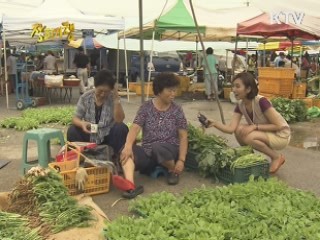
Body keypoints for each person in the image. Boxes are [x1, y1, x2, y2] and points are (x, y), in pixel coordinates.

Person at [204, 72, 290, 174]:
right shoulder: (241, 105)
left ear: (248, 89)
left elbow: (278, 126)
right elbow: (231, 129)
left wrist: (254, 127)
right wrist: (214, 123)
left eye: (237, 86)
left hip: (280, 135)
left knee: (249, 137)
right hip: (266, 133)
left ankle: (276, 157)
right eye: (233, 86)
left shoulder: (261, 102)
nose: (234, 90)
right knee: (239, 129)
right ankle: (248, 156)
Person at [120, 72, 188, 199]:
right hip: (149, 151)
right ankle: (130, 187)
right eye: (170, 91)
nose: (173, 94)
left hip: (169, 150)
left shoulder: (177, 110)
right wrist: (128, 146)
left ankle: (173, 170)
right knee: (126, 152)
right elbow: (135, 128)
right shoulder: (146, 107)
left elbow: (183, 136)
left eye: (175, 91)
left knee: (157, 147)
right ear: (160, 90)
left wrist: (181, 160)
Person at [66, 69, 128, 155]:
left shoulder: (112, 98)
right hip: (90, 132)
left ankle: (115, 157)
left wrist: (116, 99)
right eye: (100, 91)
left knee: (121, 128)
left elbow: (119, 120)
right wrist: (82, 124)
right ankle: (81, 156)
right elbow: (75, 118)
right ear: (95, 86)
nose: (103, 94)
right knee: (72, 130)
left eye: (106, 92)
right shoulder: (85, 97)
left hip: (107, 134)